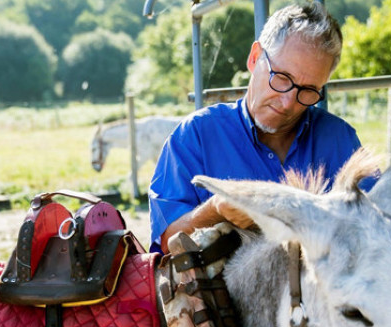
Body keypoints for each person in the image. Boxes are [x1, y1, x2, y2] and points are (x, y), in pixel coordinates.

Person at [148, 3, 375, 253]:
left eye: (308, 91)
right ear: (255, 58)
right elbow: (167, 242)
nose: (288, 102)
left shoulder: (340, 140)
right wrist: (217, 209)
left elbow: (376, 228)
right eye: (282, 78)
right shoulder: (196, 135)